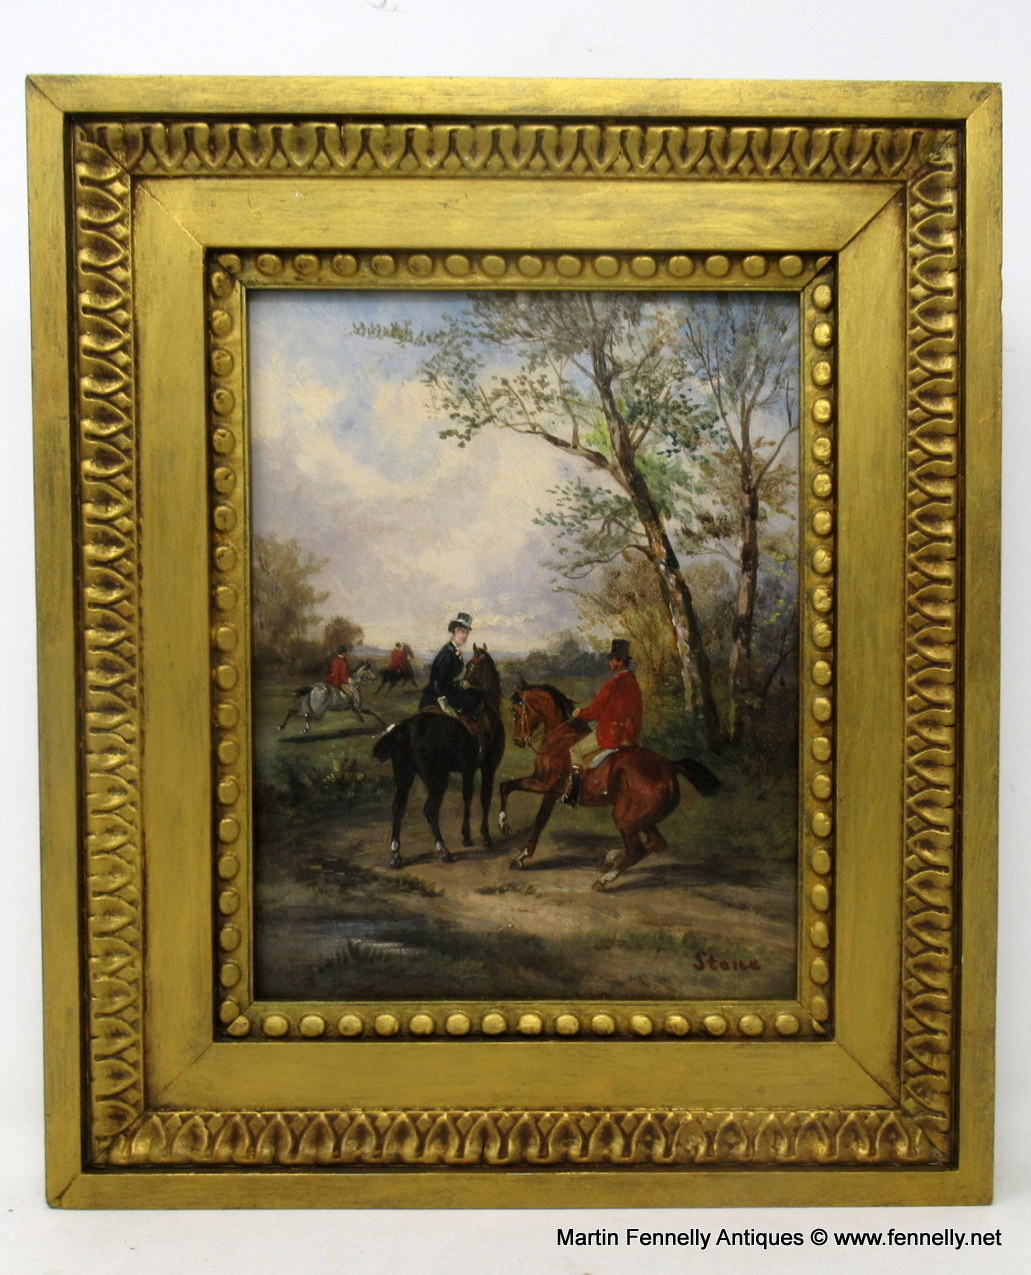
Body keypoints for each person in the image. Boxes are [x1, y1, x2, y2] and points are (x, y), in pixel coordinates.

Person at [563, 638, 643, 806]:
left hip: (611, 734)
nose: (609, 663)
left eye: (612, 659)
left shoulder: (612, 684)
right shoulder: (632, 681)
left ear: (620, 662)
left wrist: (579, 714)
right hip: (629, 735)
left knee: (575, 751)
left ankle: (574, 795)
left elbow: (595, 711)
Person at [419, 612, 483, 717]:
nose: (465, 636)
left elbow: (449, 679)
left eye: (467, 633)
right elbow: (436, 680)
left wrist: (460, 683)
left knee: (477, 694)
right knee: (474, 699)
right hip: (439, 695)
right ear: (456, 630)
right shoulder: (446, 652)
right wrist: (443, 702)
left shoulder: (454, 650)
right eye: (462, 632)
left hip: (449, 691)